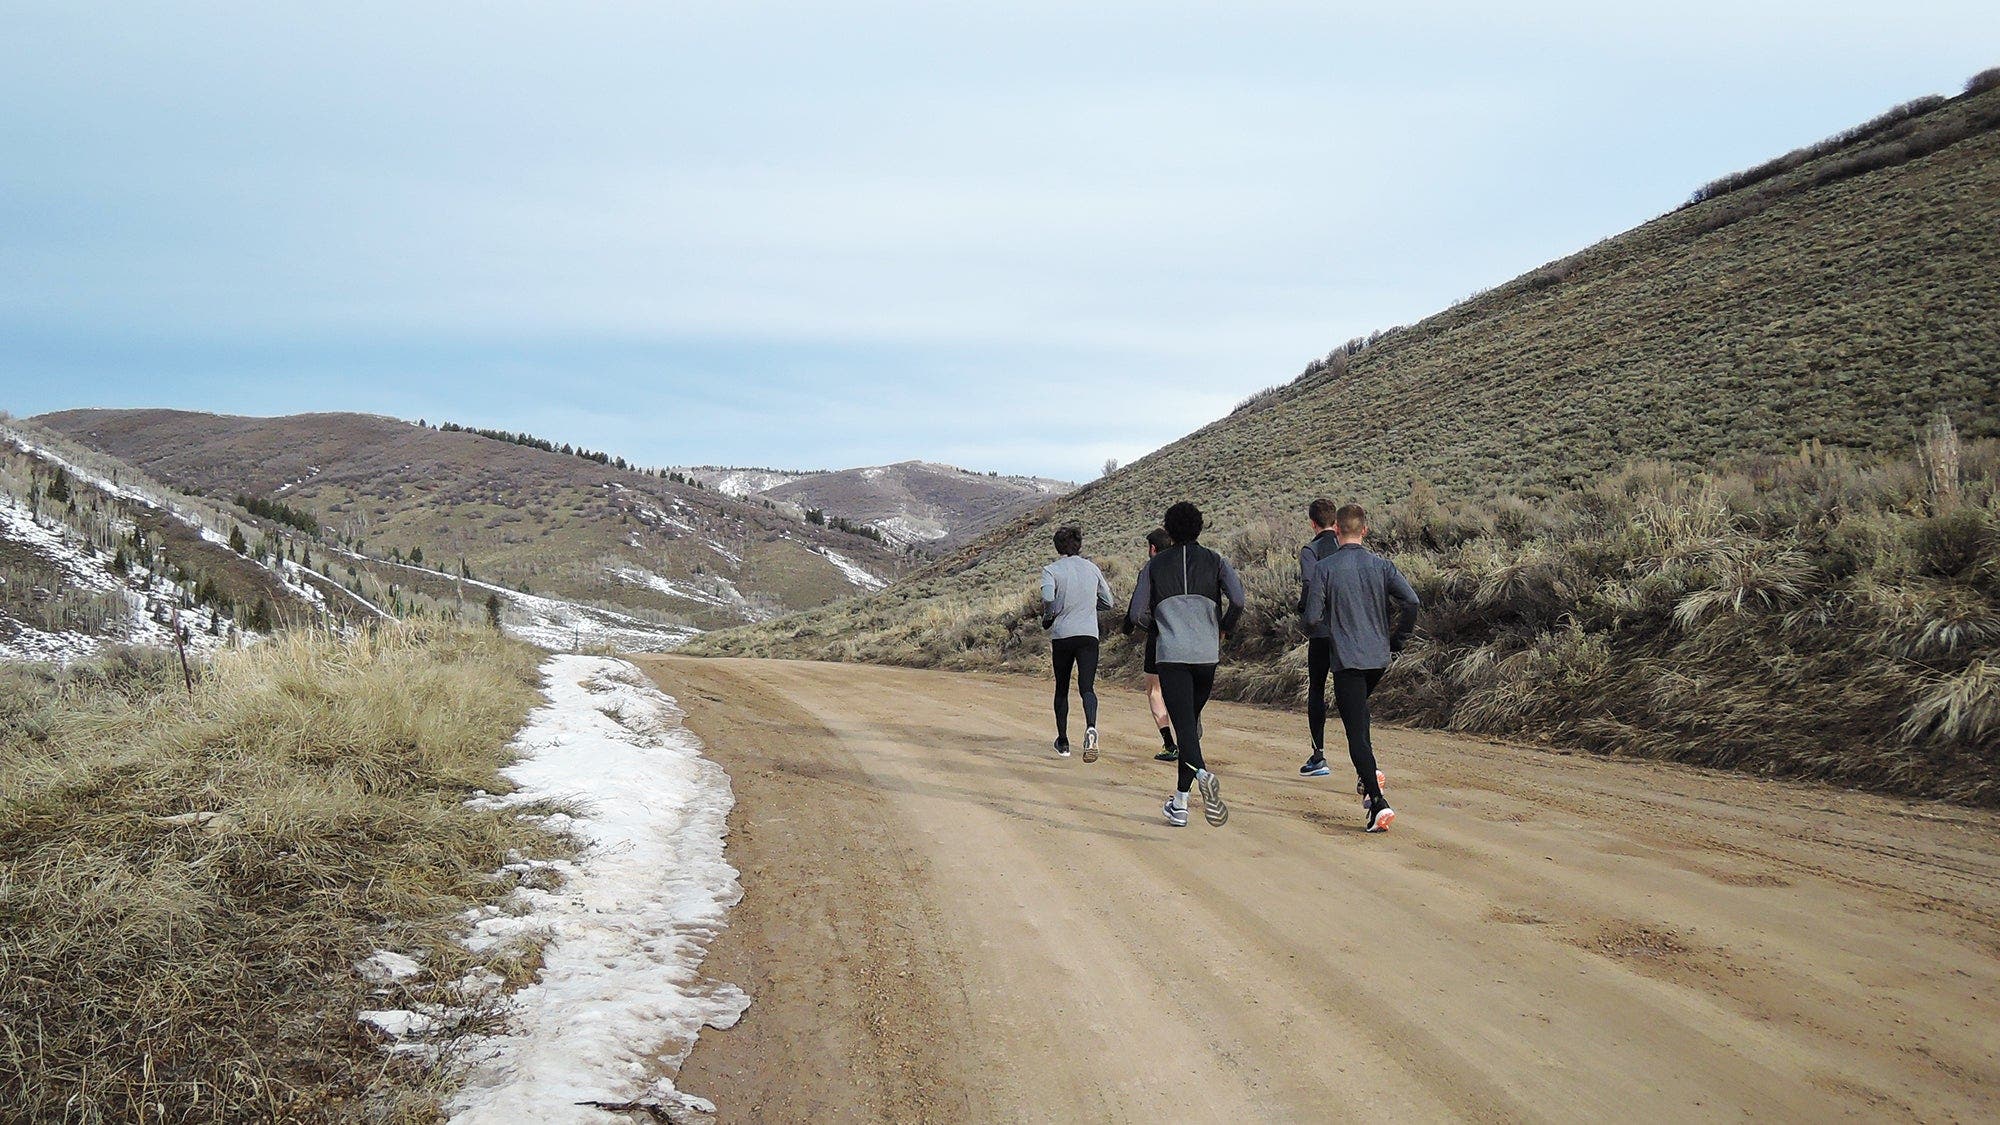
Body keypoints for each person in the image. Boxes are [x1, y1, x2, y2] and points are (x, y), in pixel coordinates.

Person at [1126, 501, 1245, 827]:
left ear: (1169, 529)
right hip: (1207, 656)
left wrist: (1161, 627)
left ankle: (1203, 774)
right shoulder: (1216, 561)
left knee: (1186, 731)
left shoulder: (1153, 567)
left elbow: (1136, 614)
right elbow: (1238, 600)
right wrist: (1224, 627)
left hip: (1173, 656)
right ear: (1199, 527)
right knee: (1189, 725)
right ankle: (1179, 804)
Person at [1302, 503, 1420, 832]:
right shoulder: (1382, 566)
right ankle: (1368, 778)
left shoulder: (1325, 568)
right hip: (1379, 659)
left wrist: (1329, 625)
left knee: (1355, 730)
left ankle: (1376, 801)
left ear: (1336, 530)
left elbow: (1311, 618)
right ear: (1364, 531)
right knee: (1359, 714)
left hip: (1348, 659)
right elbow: (1412, 602)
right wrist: (1397, 640)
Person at [1041, 524, 1113, 761]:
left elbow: (1047, 597)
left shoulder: (1051, 570)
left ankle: (1063, 742)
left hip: (1062, 635)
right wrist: (1090, 607)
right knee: (1087, 687)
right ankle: (1091, 727)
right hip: (1088, 634)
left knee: (1062, 688)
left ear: (1057, 546)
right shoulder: (1092, 568)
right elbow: (1109, 602)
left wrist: (1050, 615)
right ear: (1079, 544)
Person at [1296, 498, 1342, 778]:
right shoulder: (1345, 547)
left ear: (1312, 523)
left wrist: (1304, 610)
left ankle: (1319, 755)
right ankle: (1363, 760)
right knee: (1350, 693)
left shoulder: (1310, 550)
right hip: (1348, 632)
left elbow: (1310, 584)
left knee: (1317, 688)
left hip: (1322, 630)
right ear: (1335, 522)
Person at [1140, 527, 1179, 762]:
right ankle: (1190, 733)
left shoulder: (1151, 569)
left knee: (1154, 690)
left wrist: (1150, 626)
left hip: (1159, 636)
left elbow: (1137, 612)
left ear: (1153, 549)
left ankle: (1168, 743)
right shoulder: (1183, 568)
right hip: (1187, 636)